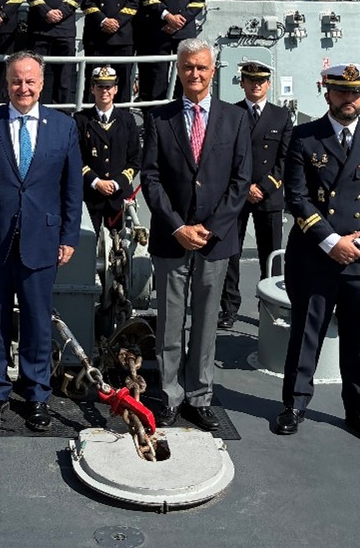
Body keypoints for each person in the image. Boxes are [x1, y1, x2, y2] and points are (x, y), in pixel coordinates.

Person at [275, 63, 360, 445]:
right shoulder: (304, 138)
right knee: (305, 334)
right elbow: (296, 198)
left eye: (357, 92)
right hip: (315, 257)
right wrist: (332, 242)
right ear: (326, 92)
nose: (350, 99)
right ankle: (295, 405)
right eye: (343, 92)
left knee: (359, 342)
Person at [0, 51, 82, 431]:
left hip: (42, 239)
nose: (22, 88)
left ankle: (36, 394)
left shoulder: (64, 127)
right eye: (16, 80)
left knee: (37, 321)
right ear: (6, 84)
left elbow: (71, 188)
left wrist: (69, 236)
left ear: (41, 84)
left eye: (30, 81)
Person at [140, 40, 252, 429]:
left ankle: (200, 395)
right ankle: (170, 394)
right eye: (188, 67)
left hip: (214, 241)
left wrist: (212, 227)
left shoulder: (235, 119)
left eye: (202, 67)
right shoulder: (160, 118)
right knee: (170, 322)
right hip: (171, 236)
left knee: (205, 324)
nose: (195, 74)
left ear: (213, 70)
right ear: (179, 69)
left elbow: (240, 180)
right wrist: (177, 226)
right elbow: (151, 178)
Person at [218, 60, 292, 329]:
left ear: (268, 84)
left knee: (270, 255)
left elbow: (285, 158)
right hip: (237, 193)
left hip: (269, 195)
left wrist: (265, 187)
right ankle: (229, 308)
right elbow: (223, 154)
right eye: (251, 80)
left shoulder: (281, 116)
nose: (256, 85)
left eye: (261, 81)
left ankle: (270, 306)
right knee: (231, 253)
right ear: (243, 83)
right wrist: (245, 186)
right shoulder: (230, 113)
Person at [75, 65, 140, 231]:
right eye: (100, 86)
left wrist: (116, 183)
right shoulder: (81, 120)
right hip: (90, 196)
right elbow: (76, 157)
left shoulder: (127, 120)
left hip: (119, 197)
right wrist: (96, 182)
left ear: (115, 89)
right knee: (88, 243)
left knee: (119, 245)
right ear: (92, 89)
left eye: (108, 87)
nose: (104, 91)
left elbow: (135, 160)